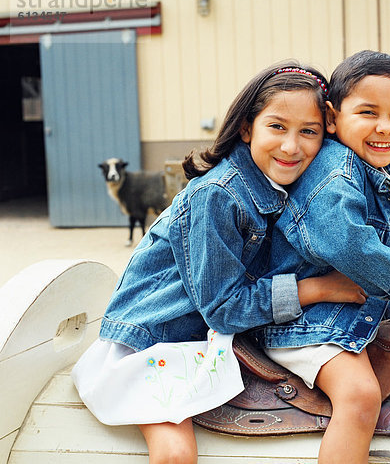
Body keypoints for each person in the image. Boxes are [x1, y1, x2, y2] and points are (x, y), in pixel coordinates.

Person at [71, 62, 368, 464]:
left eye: (308, 132)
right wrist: (318, 288)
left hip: (208, 331)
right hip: (157, 336)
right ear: (247, 128)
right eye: (277, 127)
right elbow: (225, 308)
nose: (291, 146)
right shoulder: (217, 195)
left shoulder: (291, 186)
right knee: (175, 454)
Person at [253, 50, 390, 464]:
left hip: (359, 310)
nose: (384, 127)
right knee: (360, 395)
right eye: (368, 112)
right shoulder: (334, 172)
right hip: (310, 322)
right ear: (332, 118)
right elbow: (348, 243)